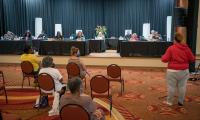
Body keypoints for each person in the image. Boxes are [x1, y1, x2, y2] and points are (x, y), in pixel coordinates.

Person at [161, 33, 195, 106]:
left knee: (171, 86)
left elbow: (164, 59)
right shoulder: (187, 48)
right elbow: (192, 59)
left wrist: (162, 56)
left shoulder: (171, 48)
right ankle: (180, 102)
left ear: (174, 40)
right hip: (184, 71)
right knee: (182, 86)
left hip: (172, 71)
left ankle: (169, 102)